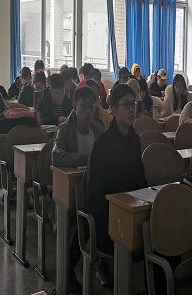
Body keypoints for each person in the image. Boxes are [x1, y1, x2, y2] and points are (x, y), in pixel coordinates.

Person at [86, 84, 148, 288]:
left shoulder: (135, 140)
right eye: (126, 105)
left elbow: (140, 179)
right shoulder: (103, 143)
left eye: (134, 105)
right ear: (112, 110)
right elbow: (95, 191)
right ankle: (102, 262)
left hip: (130, 207)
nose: (132, 110)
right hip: (108, 212)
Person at [52, 85, 106, 292]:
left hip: (95, 189)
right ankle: (68, 269)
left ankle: (102, 261)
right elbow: (56, 156)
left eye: (92, 106)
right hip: (71, 191)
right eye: (84, 106)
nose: (88, 111)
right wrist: (85, 158)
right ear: (74, 106)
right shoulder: (65, 129)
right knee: (88, 217)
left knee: (102, 212)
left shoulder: (98, 128)